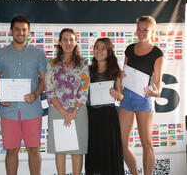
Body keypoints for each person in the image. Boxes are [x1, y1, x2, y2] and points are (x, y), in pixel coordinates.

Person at [0, 15, 47, 175]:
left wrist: (36, 94)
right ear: (11, 31)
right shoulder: (0, 53)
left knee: (34, 149)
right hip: (9, 111)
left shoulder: (39, 53)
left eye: (24, 30)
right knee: (11, 150)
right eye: (17, 29)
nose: (20, 33)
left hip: (32, 109)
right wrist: (3, 95)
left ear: (29, 32)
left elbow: (44, 79)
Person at [118, 15, 164, 175]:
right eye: (139, 29)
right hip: (126, 98)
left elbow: (158, 86)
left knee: (147, 143)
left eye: (145, 29)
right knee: (121, 143)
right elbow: (123, 72)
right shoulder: (130, 48)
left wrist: (154, 92)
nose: (141, 32)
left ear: (151, 31)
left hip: (144, 99)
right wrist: (121, 76)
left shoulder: (157, 53)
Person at [45, 28, 89, 175]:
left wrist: (73, 112)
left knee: (77, 151)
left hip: (78, 112)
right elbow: (49, 90)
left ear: (76, 42)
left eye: (71, 39)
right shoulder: (51, 64)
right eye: (65, 39)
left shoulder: (83, 64)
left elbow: (84, 89)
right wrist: (64, 112)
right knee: (60, 150)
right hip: (57, 111)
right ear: (59, 42)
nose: (68, 42)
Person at [85, 38, 125, 175]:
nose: (99, 51)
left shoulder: (115, 71)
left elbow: (121, 96)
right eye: (96, 47)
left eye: (103, 48)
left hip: (108, 118)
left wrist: (116, 94)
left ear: (109, 51)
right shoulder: (88, 70)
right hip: (92, 117)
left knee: (109, 155)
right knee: (94, 153)